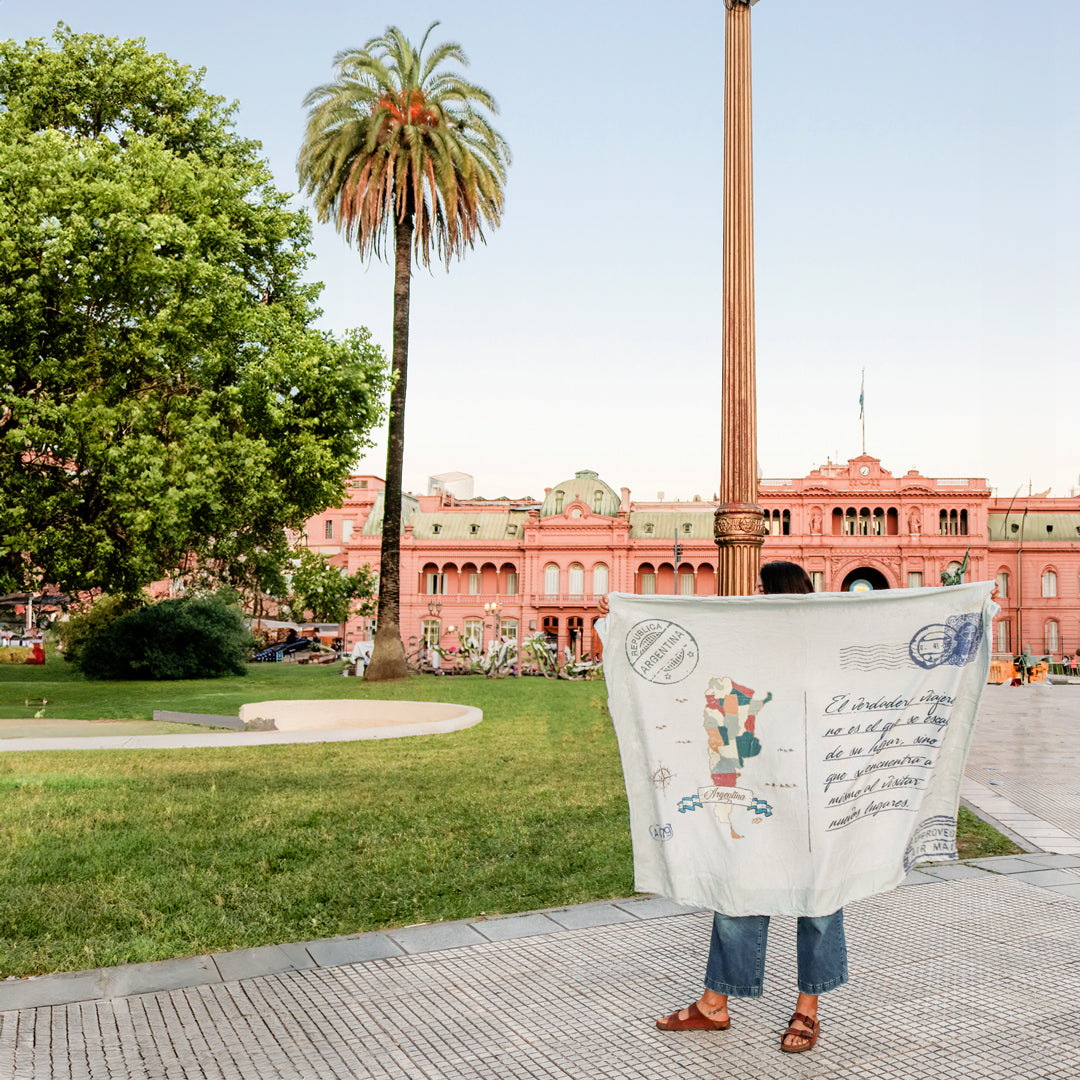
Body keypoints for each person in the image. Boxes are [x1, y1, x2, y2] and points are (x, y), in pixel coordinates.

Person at [653, 560, 845, 1054]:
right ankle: (715, 1003)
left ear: (782, 594)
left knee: (818, 899)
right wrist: (624, 617)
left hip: (813, 794)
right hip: (758, 790)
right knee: (741, 887)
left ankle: (808, 1009)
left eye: (762, 588)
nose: (753, 595)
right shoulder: (745, 649)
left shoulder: (824, 652)